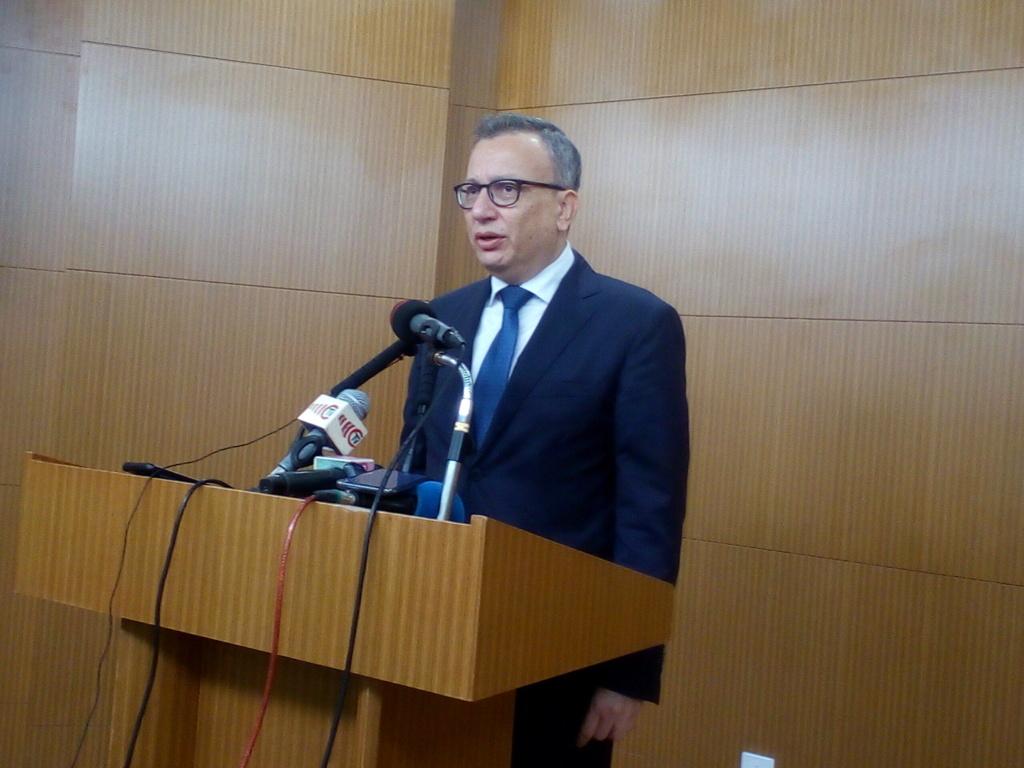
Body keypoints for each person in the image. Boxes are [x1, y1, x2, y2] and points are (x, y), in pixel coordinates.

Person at [401, 113, 689, 767]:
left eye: (506, 189)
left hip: (558, 650)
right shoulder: (441, 319)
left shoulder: (635, 325)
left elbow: (649, 511)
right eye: (471, 191)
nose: (481, 209)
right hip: (429, 633)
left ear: (565, 207)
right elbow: (417, 466)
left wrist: (628, 672)